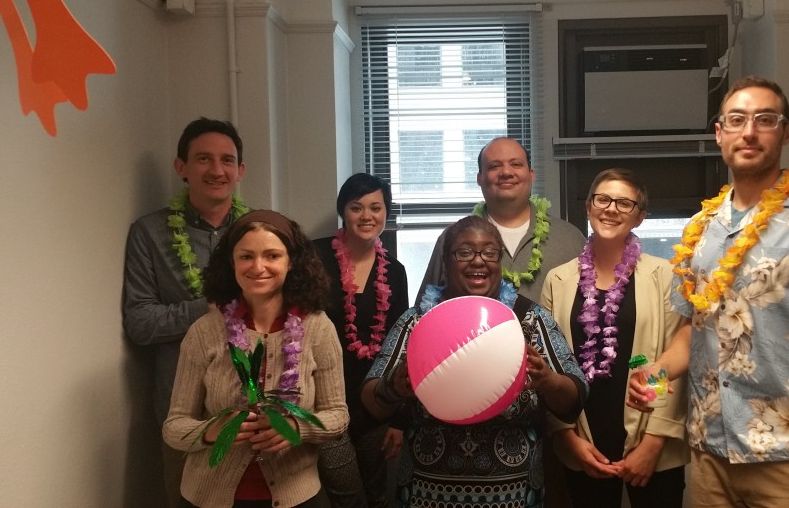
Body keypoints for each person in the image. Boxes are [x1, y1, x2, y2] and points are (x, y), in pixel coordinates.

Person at [627, 76, 789, 507]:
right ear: (719, 132)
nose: (749, 131)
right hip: (710, 458)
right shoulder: (700, 229)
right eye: (737, 120)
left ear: (786, 131)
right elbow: (694, 329)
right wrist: (656, 373)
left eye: (765, 119)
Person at [362, 215, 589, 508]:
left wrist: (550, 382)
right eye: (465, 252)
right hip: (428, 492)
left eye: (490, 252)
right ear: (446, 260)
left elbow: (575, 396)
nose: (478, 261)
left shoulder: (529, 319)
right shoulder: (417, 321)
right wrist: (393, 387)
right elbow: (369, 398)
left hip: (514, 493)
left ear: (499, 261)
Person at [163, 210, 350, 508]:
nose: (258, 267)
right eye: (246, 256)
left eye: (272, 255)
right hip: (208, 497)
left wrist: (298, 429)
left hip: (296, 495)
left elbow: (338, 415)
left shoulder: (319, 328)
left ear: (291, 262)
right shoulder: (204, 332)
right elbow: (174, 427)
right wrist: (211, 432)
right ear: (232, 263)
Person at [541, 168, 689, 507]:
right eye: (603, 199)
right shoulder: (558, 280)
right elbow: (550, 364)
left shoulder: (666, 275)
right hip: (584, 439)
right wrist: (565, 437)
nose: (611, 209)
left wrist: (654, 441)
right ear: (588, 207)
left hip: (652, 440)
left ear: (640, 217)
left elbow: (677, 358)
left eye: (625, 203)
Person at [123, 117, 249, 507]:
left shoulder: (260, 230)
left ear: (240, 170)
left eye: (227, 160)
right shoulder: (149, 233)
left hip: (253, 406)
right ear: (181, 167)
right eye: (203, 159)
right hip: (184, 411)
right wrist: (208, 308)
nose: (217, 170)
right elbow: (140, 323)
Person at [313, 173, 409, 508]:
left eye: (375, 207)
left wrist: (398, 419)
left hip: (374, 404)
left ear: (386, 212)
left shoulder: (394, 271)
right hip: (323, 400)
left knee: (377, 493)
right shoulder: (315, 257)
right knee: (346, 496)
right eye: (356, 207)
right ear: (343, 211)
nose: (367, 216)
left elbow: (399, 344)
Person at [415, 137, 585, 304]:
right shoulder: (453, 240)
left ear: (531, 174)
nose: (506, 172)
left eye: (516, 164)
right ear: (479, 178)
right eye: (494, 166)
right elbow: (425, 311)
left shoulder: (570, 239)